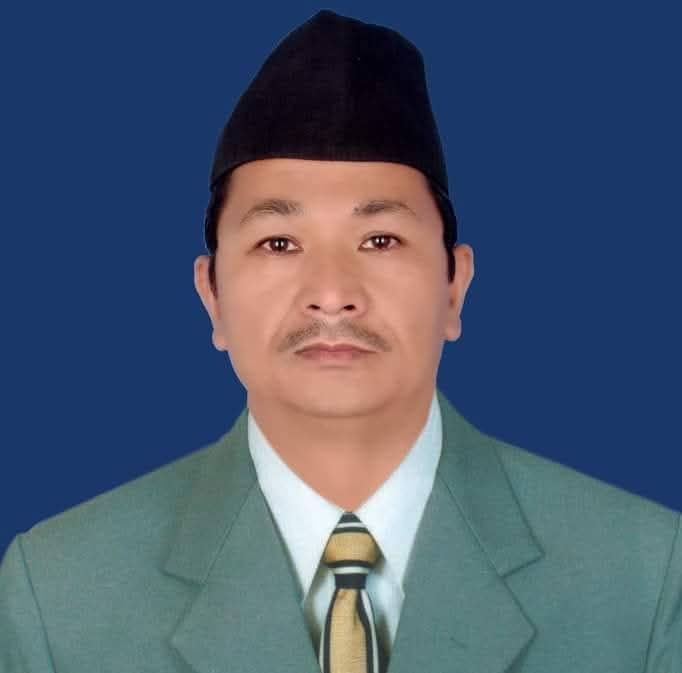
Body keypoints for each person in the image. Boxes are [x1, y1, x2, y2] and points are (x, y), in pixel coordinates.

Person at [1, 9, 680, 673]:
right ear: (212, 295)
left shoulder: (645, 575)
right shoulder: (59, 593)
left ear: (454, 285)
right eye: (279, 242)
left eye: (379, 239)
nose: (331, 293)